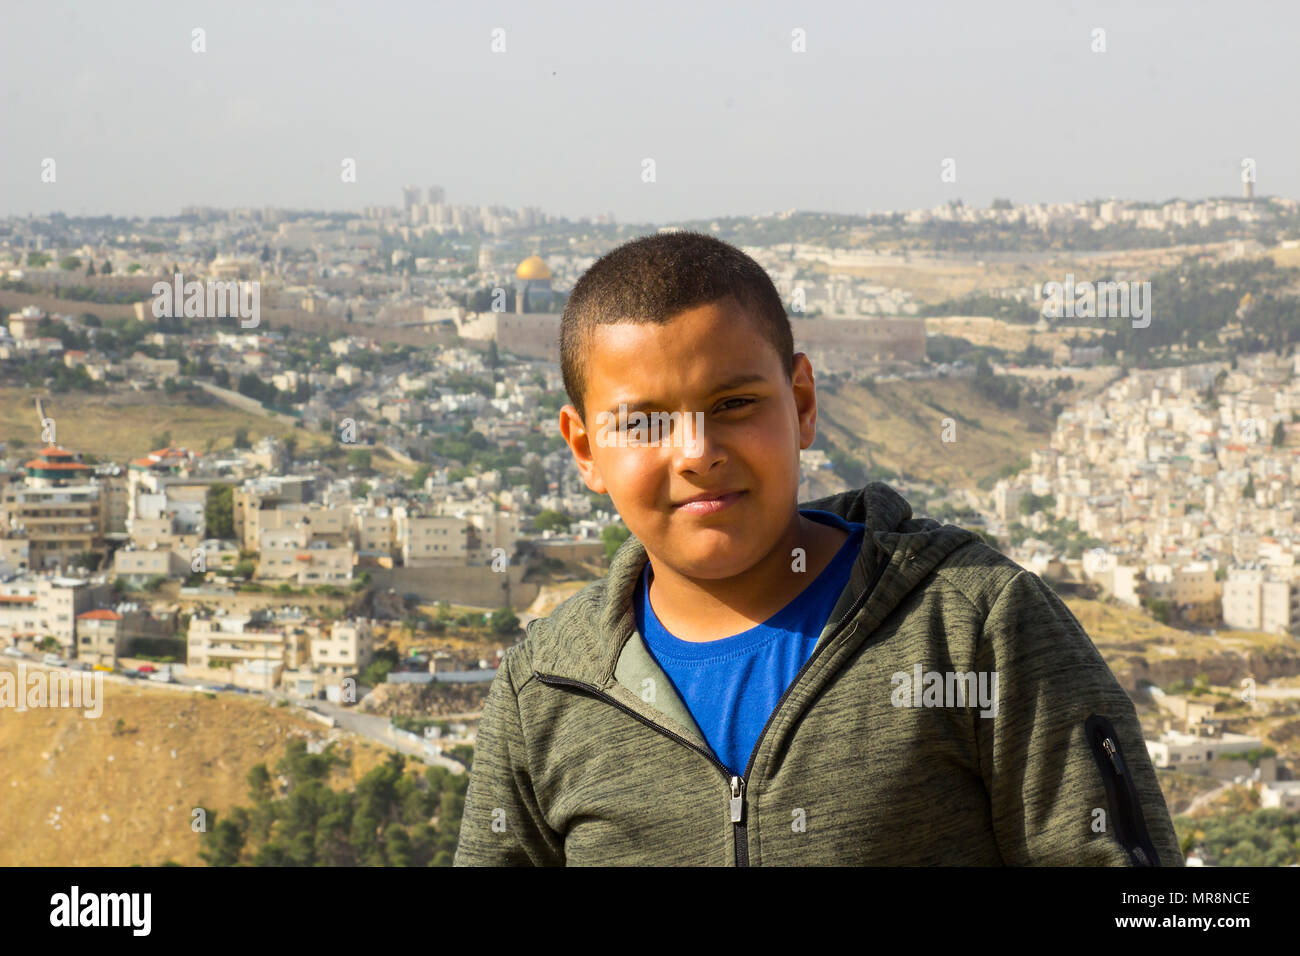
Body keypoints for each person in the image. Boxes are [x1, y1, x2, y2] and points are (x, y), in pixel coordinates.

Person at [454, 231, 1182, 866]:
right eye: (644, 424)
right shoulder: (544, 691)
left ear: (802, 404)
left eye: (733, 405)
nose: (697, 453)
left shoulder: (972, 628)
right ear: (584, 449)